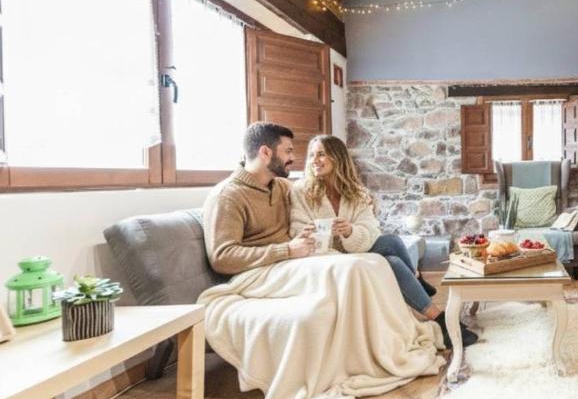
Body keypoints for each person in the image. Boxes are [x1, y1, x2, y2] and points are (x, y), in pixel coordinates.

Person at [290, 134, 478, 348]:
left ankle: (426, 296)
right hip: (326, 255)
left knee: (391, 241)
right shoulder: (301, 191)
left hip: (353, 248)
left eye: (321, 155)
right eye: (312, 155)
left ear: (337, 158)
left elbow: (371, 229)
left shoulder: (356, 193)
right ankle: (438, 315)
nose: (314, 160)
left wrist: (350, 231)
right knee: (394, 261)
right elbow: (296, 228)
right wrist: (315, 232)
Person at [202, 122, 318, 275]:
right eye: (288, 151)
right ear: (265, 152)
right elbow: (222, 258)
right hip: (257, 273)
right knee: (341, 270)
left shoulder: (282, 186)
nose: (293, 157)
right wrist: (286, 250)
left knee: (345, 264)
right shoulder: (227, 196)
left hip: (291, 265)